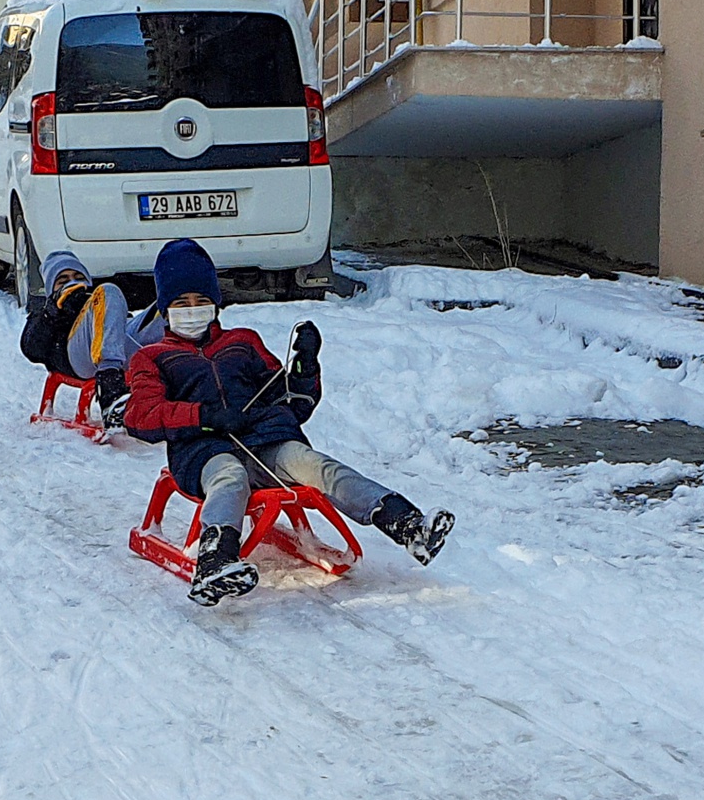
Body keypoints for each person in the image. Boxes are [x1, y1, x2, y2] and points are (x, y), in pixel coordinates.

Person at [124, 238, 455, 607]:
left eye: (201, 301)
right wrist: (204, 416)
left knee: (318, 466)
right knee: (229, 478)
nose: (192, 311)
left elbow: (291, 403)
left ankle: (407, 525)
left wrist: (304, 369)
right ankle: (214, 562)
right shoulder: (153, 357)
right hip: (204, 451)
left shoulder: (242, 342)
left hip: (266, 442)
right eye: (181, 304)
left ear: (216, 304)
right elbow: (140, 416)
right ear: (164, 310)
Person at [20, 250, 167, 430]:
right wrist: (54, 312)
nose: (72, 282)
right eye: (63, 280)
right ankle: (110, 389)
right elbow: (31, 349)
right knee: (109, 289)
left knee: (169, 302)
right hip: (80, 360)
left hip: (120, 351)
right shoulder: (46, 313)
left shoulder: (99, 299)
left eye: (78, 277)